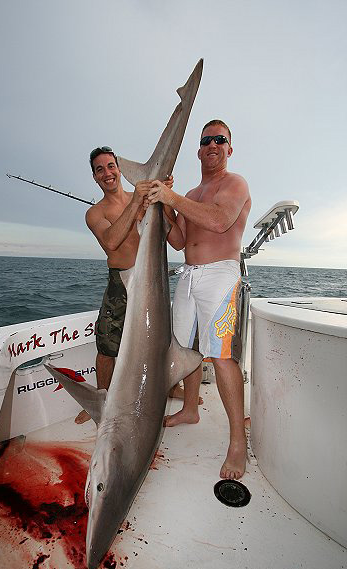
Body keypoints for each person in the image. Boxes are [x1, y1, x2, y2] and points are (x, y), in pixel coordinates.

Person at [147, 120, 251, 480]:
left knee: (222, 357)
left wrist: (172, 198)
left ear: (229, 148)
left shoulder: (234, 184)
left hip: (221, 275)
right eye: (206, 140)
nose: (212, 145)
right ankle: (190, 409)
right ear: (198, 149)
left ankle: (238, 441)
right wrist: (164, 206)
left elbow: (221, 221)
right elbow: (177, 240)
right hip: (188, 277)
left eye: (220, 139)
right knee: (186, 350)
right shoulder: (190, 193)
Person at [78, 147, 178, 423]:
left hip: (150, 278)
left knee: (160, 339)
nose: (107, 173)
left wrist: (164, 195)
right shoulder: (95, 213)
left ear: (119, 169)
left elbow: (170, 234)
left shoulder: (143, 198)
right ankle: (102, 399)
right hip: (120, 284)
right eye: (100, 169)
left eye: (111, 166)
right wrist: (135, 204)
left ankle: (172, 387)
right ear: (95, 177)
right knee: (107, 347)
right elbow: (111, 242)